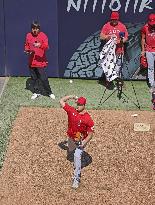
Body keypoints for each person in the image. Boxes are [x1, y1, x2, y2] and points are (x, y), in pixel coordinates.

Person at [59, 95, 94, 189]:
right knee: (71, 151)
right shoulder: (71, 111)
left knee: (77, 156)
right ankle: (78, 158)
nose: (77, 105)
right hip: (71, 138)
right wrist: (72, 96)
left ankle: (76, 178)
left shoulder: (88, 119)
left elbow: (90, 134)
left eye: (80, 104)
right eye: (77, 103)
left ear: (84, 105)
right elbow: (61, 101)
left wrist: (84, 143)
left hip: (80, 141)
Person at [24, 21, 55, 100]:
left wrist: (40, 45)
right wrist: (27, 50)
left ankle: (49, 92)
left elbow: (47, 47)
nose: (35, 30)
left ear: (39, 29)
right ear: (31, 29)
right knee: (34, 78)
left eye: (36, 28)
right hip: (31, 62)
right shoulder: (28, 35)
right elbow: (26, 46)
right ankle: (36, 92)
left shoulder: (43, 35)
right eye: (33, 28)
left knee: (43, 78)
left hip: (40, 62)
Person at [100, 11, 128, 86]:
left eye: (115, 19)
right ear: (110, 19)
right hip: (109, 52)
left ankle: (118, 81)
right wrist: (108, 36)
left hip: (119, 50)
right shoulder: (106, 26)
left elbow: (126, 38)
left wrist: (119, 41)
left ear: (118, 19)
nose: (114, 21)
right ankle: (108, 81)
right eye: (113, 19)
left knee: (118, 66)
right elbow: (101, 36)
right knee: (108, 66)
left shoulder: (122, 26)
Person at [141, 13, 155, 93]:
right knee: (150, 68)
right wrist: (143, 50)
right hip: (149, 50)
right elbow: (143, 39)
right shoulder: (145, 28)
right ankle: (152, 85)